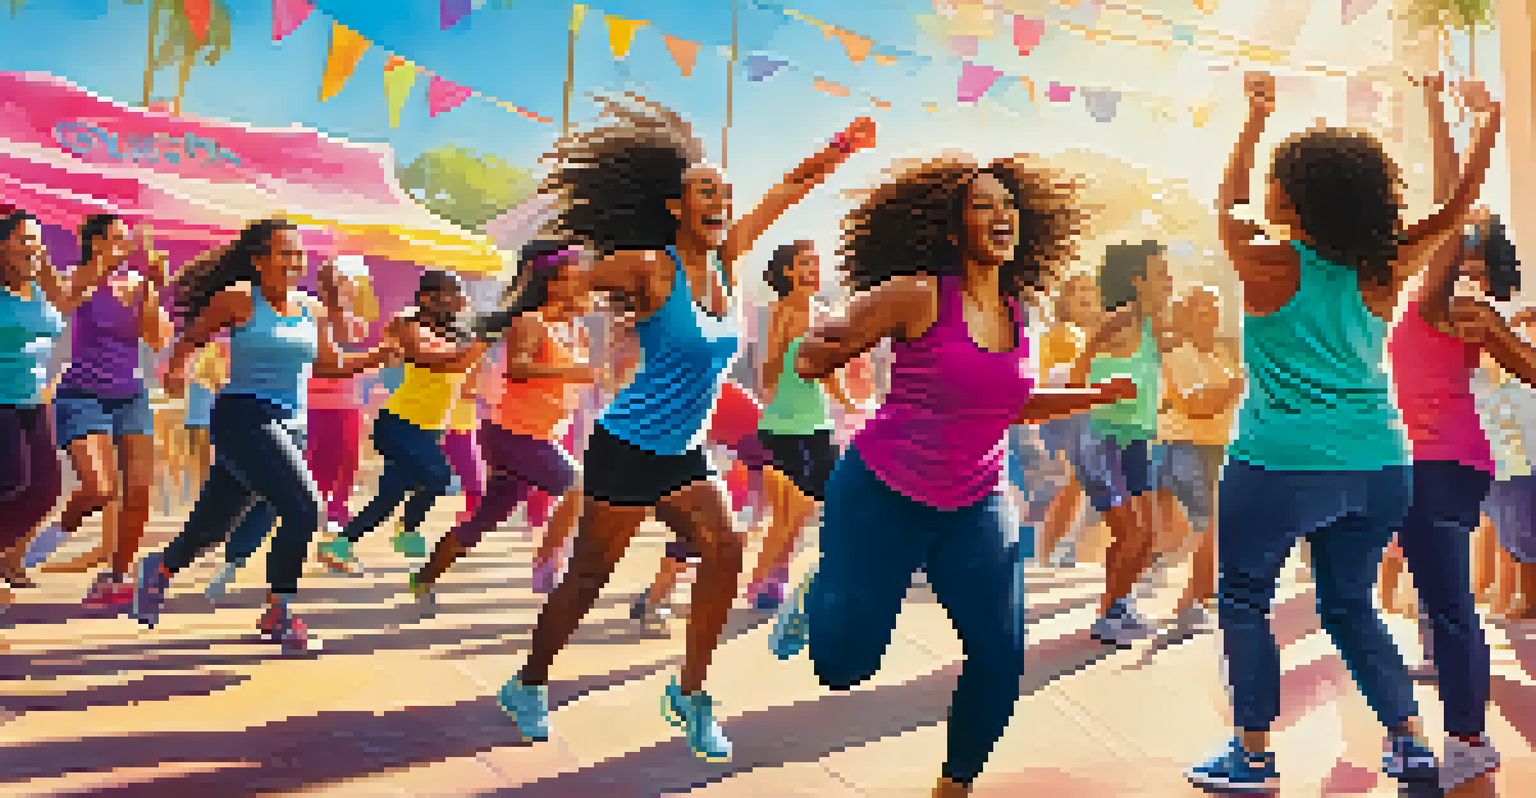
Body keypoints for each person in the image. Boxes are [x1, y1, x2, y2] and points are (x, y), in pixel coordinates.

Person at [492, 94, 874, 763]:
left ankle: (691, 694)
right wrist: (555, 290)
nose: (721, 200)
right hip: (627, 447)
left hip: (683, 455)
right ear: (676, 207)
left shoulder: (729, 259)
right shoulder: (650, 267)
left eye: (724, 192)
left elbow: (787, 190)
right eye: (706, 190)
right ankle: (527, 684)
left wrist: (841, 149)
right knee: (586, 581)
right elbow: (569, 277)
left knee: (725, 548)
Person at [768, 153, 1134, 797]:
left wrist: (1095, 395)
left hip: (977, 501)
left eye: (1008, 205)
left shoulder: (1023, 314)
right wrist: (821, 345)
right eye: (983, 204)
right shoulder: (915, 295)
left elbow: (1009, 402)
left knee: (1000, 654)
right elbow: (811, 356)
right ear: (953, 223)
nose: (1002, 215)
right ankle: (819, 590)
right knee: (843, 667)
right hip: (882, 493)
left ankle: (954, 784)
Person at [1184, 72, 1500, 793]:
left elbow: (1228, 203)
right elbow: (1456, 209)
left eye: (1276, 179)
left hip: (1278, 464)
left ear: (1291, 197)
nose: (1264, 189)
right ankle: (1411, 742)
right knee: (1350, 606)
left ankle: (1254, 754)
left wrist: (1254, 118)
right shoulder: (1381, 268)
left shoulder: (1262, 261)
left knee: (1243, 600)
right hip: (1381, 468)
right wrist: (1488, 125)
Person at [130, 219, 396, 652]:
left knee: (213, 527)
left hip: (292, 425)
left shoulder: (311, 308)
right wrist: (175, 370)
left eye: (298, 254)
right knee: (305, 508)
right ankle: (279, 610)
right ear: (258, 260)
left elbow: (328, 365)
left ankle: (160, 566)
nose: (295, 262)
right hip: (244, 418)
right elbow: (191, 339)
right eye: (284, 253)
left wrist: (378, 356)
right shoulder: (238, 299)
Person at [408, 241, 594, 601]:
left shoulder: (579, 330)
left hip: (540, 437)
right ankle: (546, 564)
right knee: (581, 486)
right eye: (578, 278)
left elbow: (578, 383)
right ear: (553, 283)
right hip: (511, 436)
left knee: (483, 521)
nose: (588, 284)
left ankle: (425, 578)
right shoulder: (530, 322)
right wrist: (577, 370)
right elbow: (518, 368)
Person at [29, 215, 175, 607]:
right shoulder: (77, 276)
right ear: (93, 243)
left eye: (126, 241)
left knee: (139, 492)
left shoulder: (136, 284)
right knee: (99, 488)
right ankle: (40, 548)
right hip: (82, 393)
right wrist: (96, 269)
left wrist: (151, 291)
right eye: (115, 240)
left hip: (131, 395)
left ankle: (116, 577)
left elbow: (158, 339)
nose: (123, 248)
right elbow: (63, 305)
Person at [316, 271, 487, 571]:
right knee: (439, 478)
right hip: (398, 425)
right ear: (426, 298)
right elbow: (430, 359)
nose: (457, 300)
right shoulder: (411, 327)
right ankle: (408, 531)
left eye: (458, 293)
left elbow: (466, 370)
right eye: (448, 293)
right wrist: (480, 343)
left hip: (431, 429)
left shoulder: (461, 335)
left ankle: (339, 544)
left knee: (388, 497)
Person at [1067, 241, 1176, 646]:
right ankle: (1110, 615)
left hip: (1135, 442)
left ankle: (1117, 605)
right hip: (1100, 440)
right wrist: (1098, 384)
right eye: (1161, 273)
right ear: (1138, 280)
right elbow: (1075, 381)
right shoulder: (1120, 321)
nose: (1169, 282)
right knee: (1132, 534)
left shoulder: (1150, 327)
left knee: (1143, 537)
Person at [748, 241, 850, 610]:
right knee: (788, 514)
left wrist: (847, 401)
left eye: (816, 263)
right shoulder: (776, 313)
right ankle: (760, 583)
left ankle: (777, 577)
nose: (813, 270)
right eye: (806, 264)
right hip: (782, 427)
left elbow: (829, 369)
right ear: (788, 272)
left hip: (819, 426)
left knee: (813, 510)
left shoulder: (824, 313)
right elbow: (766, 379)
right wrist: (788, 341)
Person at [1155, 285, 1243, 633]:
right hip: (1188, 446)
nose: (1210, 314)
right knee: (1206, 528)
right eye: (1201, 308)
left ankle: (1202, 598)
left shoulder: (1222, 356)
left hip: (1219, 447)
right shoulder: (1180, 354)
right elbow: (1198, 406)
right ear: (1186, 315)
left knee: (1216, 528)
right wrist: (1236, 386)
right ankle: (1190, 604)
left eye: (1215, 307)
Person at [0, 207, 68, 589]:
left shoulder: (41, 288)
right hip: (0, 400)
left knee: (45, 491)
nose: (36, 248)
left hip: (33, 400)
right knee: (10, 481)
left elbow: (65, 316)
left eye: (39, 241)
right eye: (26, 239)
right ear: (2, 245)